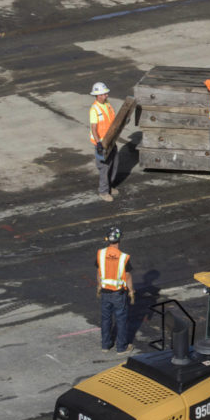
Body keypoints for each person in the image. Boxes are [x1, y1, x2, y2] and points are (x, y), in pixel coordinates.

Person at [96, 227, 134, 355]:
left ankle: (105, 345)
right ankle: (121, 347)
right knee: (121, 319)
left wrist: (99, 285)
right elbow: (127, 276)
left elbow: (99, 271)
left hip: (105, 292)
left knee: (106, 319)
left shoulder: (101, 254)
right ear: (119, 239)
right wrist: (131, 291)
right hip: (118, 294)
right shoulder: (123, 257)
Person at [89, 82, 119, 202]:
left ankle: (109, 186)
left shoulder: (107, 105)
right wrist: (99, 144)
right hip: (102, 143)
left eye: (106, 93)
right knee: (104, 167)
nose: (106, 95)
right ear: (98, 95)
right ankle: (103, 191)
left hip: (111, 140)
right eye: (104, 94)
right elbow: (94, 128)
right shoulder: (94, 109)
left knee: (114, 164)